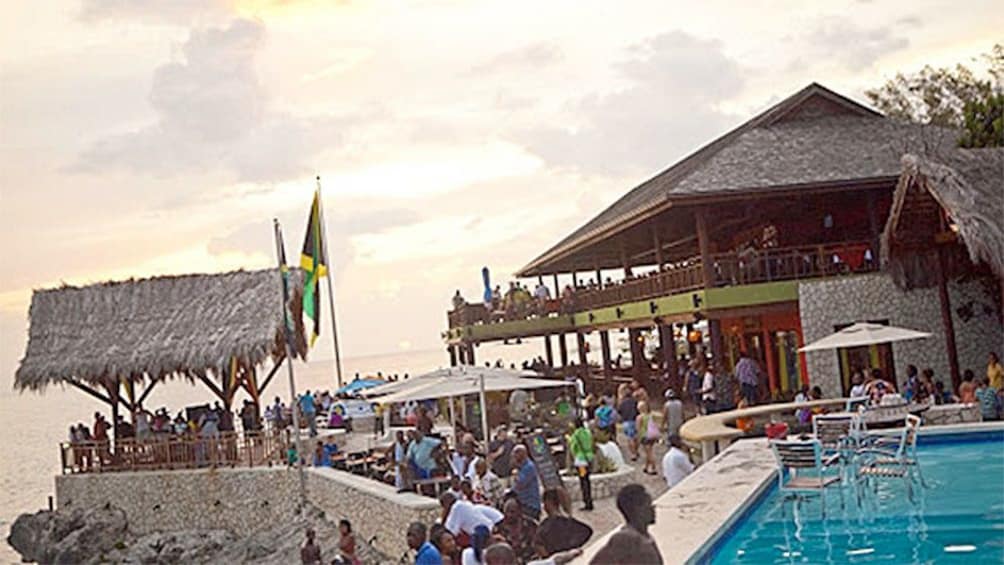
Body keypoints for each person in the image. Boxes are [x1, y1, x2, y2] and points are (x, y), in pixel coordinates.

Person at [589, 484, 663, 564]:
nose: (653, 508)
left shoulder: (645, 536)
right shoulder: (626, 538)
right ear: (638, 510)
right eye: (649, 505)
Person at [534, 489, 593, 558]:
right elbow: (588, 531)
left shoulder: (545, 526)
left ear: (548, 503)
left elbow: (538, 544)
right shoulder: (571, 523)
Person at [495, 498, 538, 563]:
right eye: (506, 511)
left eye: (512, 512)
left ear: (519, 511)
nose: (509, 515)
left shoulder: (531, 525)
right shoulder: (498, 528)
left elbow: (539, 544)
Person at [567, 417, 594, 511]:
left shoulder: (576, 434)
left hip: (581, 460)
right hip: (589, 458)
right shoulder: (587, 432)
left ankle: (587, 502)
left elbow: (573, 447)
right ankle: (589, 501)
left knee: (583, 481)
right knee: (587, 480)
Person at [511, 445, 542, 520]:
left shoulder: (529, 467)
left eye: (516, 454)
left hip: (530, 504)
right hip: (522, 502)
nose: (514, 457)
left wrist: (515, 475)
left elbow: (521, 484)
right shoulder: (521, 467)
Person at [636, 402, 659, 475]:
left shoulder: (639, 417)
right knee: (649, 451)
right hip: (652, 435)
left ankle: (653, 467)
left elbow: (638, 429)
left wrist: (638, 439)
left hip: (645, 436)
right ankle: (646, 467)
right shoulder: (650, 416)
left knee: (649, 453)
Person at [617, 390, 639, 461]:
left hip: (626, 421)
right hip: (635, 420)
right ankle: (636, 450)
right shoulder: (635, 402)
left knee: (630, 438)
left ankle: (633, 453)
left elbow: (619, 412)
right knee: (635, 437)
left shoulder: (622, 403)